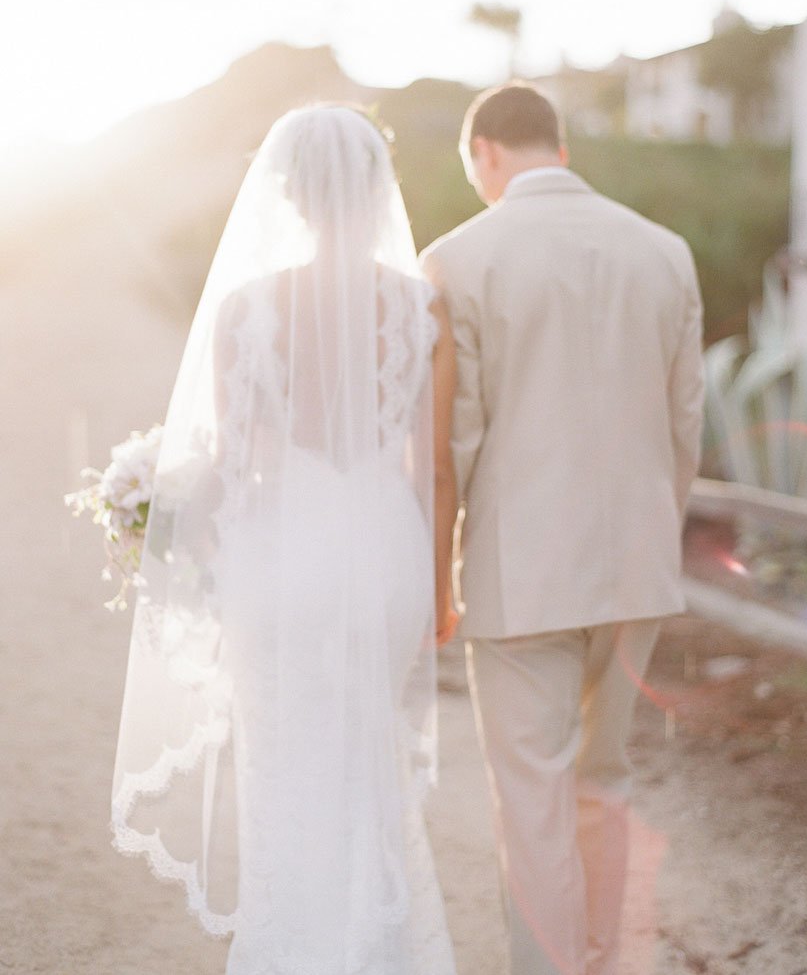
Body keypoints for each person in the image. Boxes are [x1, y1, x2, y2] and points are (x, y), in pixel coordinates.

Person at [111, 106, 459, 975]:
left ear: (288, 195)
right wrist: (439, 586)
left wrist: (160, 516)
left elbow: (234, 466)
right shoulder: (422, 309)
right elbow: (434, 468)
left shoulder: (244, 310)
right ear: (379, 188)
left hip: (286, 549)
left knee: (285, 765)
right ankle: (375, 951)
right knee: (364, 757)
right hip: (383, 548)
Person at [421, 82, 705, 975]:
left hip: (518, 574)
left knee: (531, 801)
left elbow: (451, 444)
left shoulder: (456, 259)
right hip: (635, 565)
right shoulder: (667, 253)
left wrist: (438, 579)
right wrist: (653, 538)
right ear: (562, 149)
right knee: (606, 783)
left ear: (485, 155)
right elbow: (685, 428)